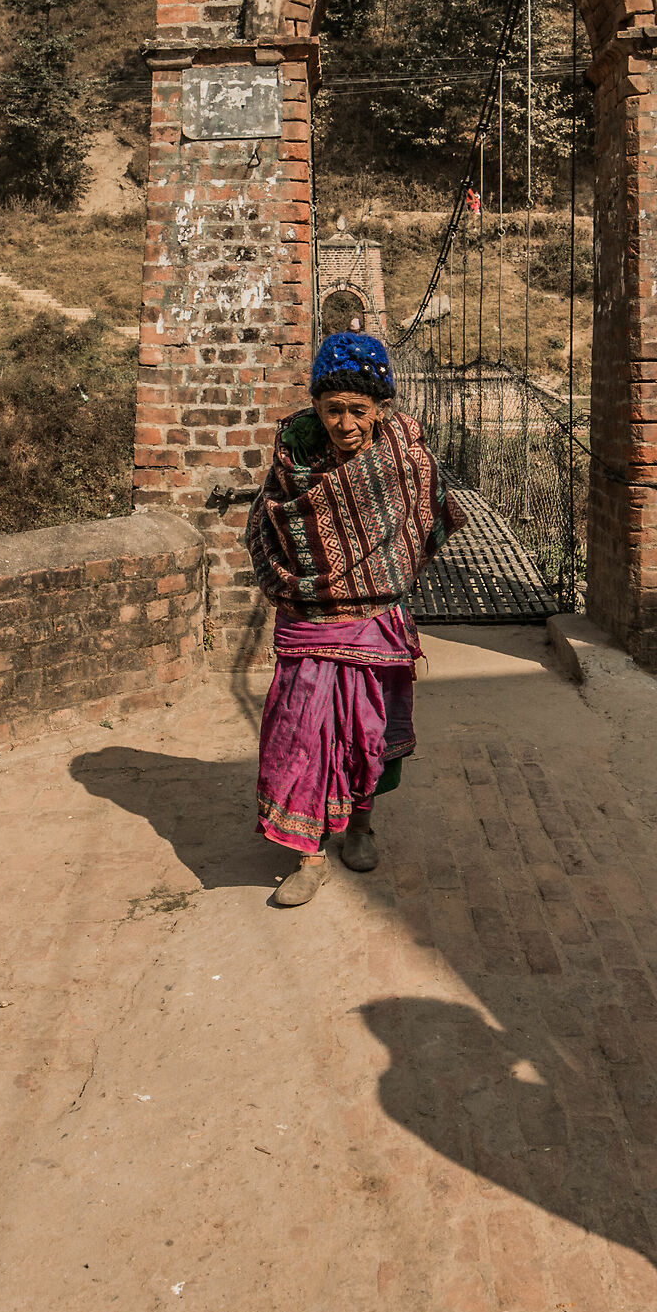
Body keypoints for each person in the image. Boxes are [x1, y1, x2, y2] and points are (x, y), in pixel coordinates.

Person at [243, 331, 469, 907]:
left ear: (381, 408)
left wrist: (384, 573)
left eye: (358, 410)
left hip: (374, 619)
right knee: (300, 731)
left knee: (366, 729)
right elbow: (265, 531)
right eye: (333, 409)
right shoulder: (292, 461)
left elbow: (424, 521)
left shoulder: (404, 458)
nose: (345, 423)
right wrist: (309, 579)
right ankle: (309, 852)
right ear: (316, 407)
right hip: (308, 619)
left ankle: (361, 825)